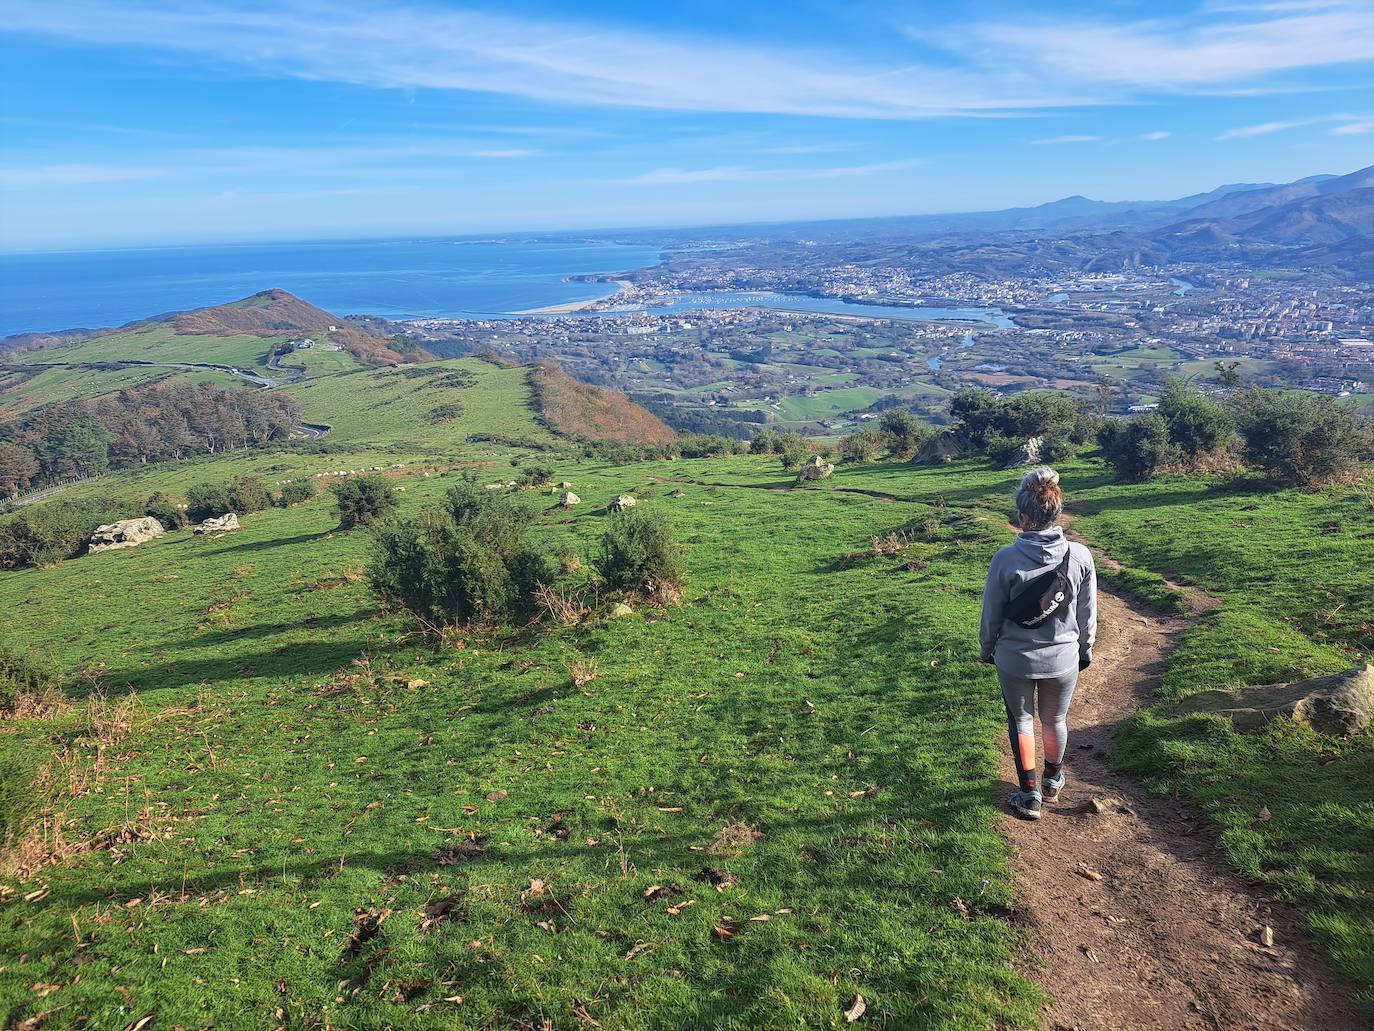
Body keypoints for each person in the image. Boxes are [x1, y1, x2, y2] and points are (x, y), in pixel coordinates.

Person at [979, 467, 1097, 820]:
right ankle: (1053, 779)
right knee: (1055, 719)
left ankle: (1029, 793)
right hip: (1062, 658)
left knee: (1021, 719)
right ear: (1057, 513)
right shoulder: (1080, 556)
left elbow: (991, 615)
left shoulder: (1005, 559)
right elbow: (1087, 614)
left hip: (1014, 659)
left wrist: (987, 649)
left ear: (1023, 516)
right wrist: (1085, 649)